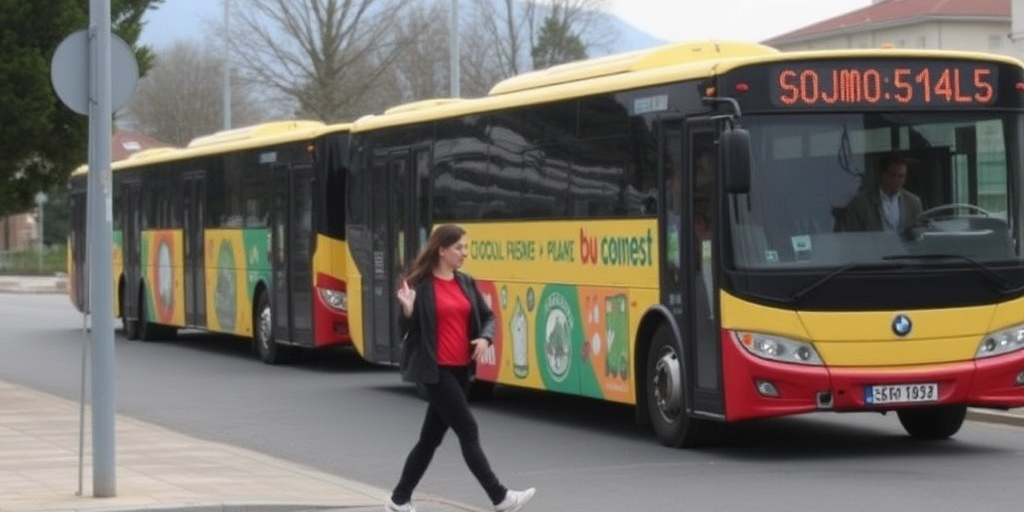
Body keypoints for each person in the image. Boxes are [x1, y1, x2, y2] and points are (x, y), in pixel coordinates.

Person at [386, 224, 536, 512]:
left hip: (459, 370)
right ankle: (500, 497)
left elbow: (487, 316)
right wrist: (407, 310)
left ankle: (398, 499)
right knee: (468, 429)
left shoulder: (465, 282)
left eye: (466, 248)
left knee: (429, 440)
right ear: (442, 250)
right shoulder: (420, 285)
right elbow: (405, 330)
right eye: (459, 248)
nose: (464, 253)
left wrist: (485, 337)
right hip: (435, 370)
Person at [843, 153, 923, 233]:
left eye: (901, 176)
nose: (897, 180)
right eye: (893, 175)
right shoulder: (860, 204)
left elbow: (919, 235)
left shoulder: (913, 203)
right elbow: (852, 238)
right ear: (883, 174)